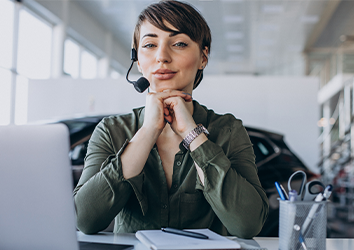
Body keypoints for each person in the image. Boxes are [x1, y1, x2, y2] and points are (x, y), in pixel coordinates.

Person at [73, 0, 268, 239]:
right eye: (150, 45)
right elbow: (84, 219)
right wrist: (147, 131)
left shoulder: (228, 130)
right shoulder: (111, 130)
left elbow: (248, 224)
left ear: (203, 57)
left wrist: (192, 133)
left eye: (179, 43)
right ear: (137, 58)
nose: (162, 57)